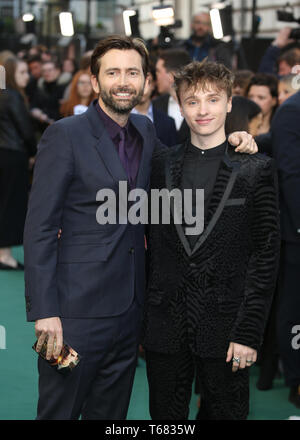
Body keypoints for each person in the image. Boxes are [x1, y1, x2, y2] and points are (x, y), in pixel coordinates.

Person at [24, 35, 258, 421]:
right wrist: (45, 311)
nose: (123, 81)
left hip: (131, 312)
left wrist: (233, 140)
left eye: (132, 72)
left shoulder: (146, 132)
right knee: (59, 412)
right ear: (95, 81)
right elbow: (40, 229)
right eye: (112, 72)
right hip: (75, 312)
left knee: (111, 415)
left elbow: (187, 164)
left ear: (147, 81)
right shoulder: (65, 135)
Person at [142, 60, 280, 420]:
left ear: (230, 103)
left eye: (213, 99)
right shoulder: (159, 165)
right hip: (165, 324)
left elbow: (265, 256)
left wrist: (249, 331)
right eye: (192, 101)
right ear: (180, 105)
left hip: (227, 326)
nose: (203, 110)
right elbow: (151, 246)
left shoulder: (256, 168)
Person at [271, 90, 300, 409]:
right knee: (295, 310)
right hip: (296, 233)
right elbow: (292, 175)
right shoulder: (292, 111)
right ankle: (297, 380)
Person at [0, 57, 36, 270]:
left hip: (5, 154)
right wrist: (33, 151)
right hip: (13, 156)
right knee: (10, 205)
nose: (27, 76)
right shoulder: (12, 97)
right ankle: (4, 254)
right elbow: (26, 130)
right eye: (22, 72)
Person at [132, 66, 178, 147]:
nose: (143, 88)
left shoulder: (168, 122)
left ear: (153, 85)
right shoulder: (119, 118)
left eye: (148, 82)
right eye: (138, 82)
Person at [153, 49, 191, 143]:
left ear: (172, 76)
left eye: (158, 71)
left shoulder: (202, 106)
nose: (155, 76)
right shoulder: (154, 105)